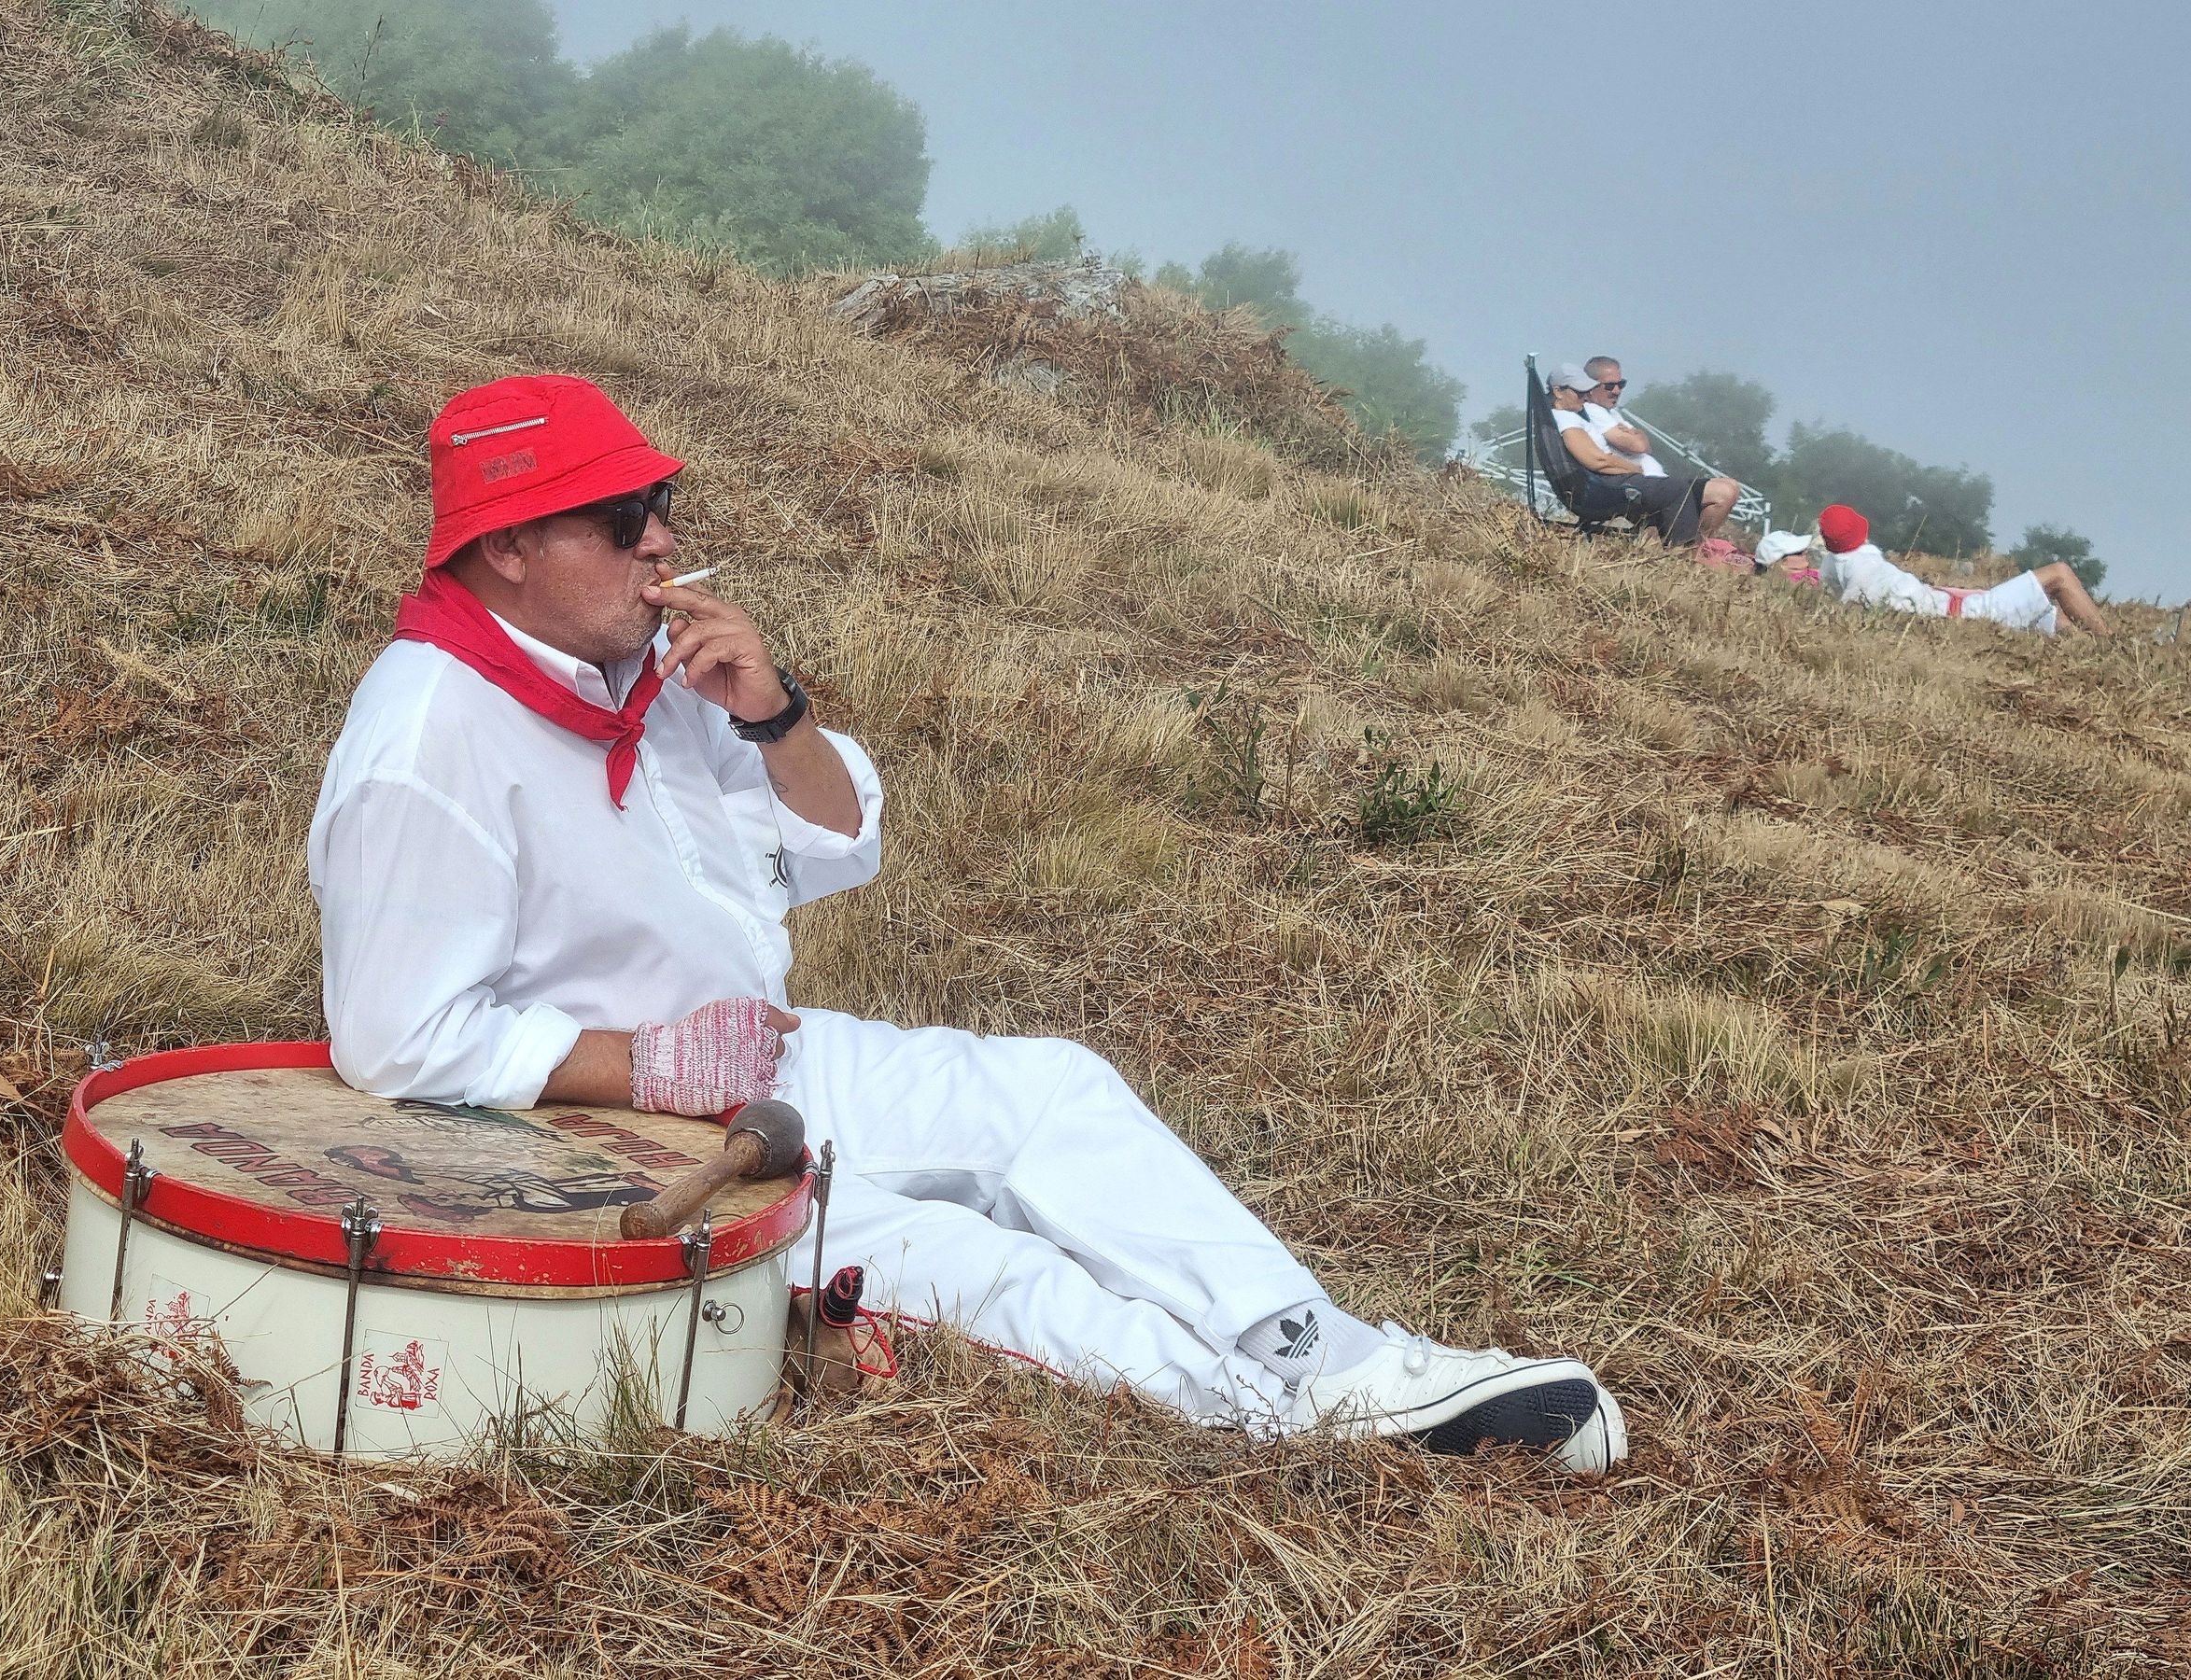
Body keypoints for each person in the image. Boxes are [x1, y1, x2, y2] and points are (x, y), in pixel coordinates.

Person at [307, 374, 1629, 1470]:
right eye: (619, 516)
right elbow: (397, 1038)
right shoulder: (428, 738)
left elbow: (832, 848)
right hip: (610, 1141)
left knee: (1054, 1092)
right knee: (977, 1263)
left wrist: (772, 713)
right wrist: (646, 1068)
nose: (661, 538)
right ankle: (1304, 1427)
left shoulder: (643, 670)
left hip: (761, 1061)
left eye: (661, 504)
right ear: (504, 547)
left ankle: (1324, 1352)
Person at [1813, 504, 2110, 637]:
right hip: (1968, 614)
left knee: (2047, 612)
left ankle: (2087, 649)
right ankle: (2110, 644)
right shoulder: (1868, 570)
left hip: (1956, 607)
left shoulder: (1836, 567)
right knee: (2058, 574)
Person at [1547, 364, 1740, 546]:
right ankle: (1682, 554)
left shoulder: (1575, 415)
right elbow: (1597, 460)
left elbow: (1639, 446)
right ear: (1558, 392)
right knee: (1676, 489)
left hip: (1618, 480)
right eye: (1579, 392)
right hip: (1608, 486)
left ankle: (1694, 549)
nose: (1584, 396)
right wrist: (1634, 468)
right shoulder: (1565, 418)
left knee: (1701, 488)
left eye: (1586, 390)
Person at [1580, 357, 1664, 477]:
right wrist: (1636, 436)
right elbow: (1639, 446)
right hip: (1638, 483)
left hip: (1651, 480)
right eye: (1609, 386)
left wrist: (1638, 435)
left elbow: (1647, 447)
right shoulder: (1591, 409)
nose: (1617, 391)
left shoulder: (1612, 412)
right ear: (1590, 386)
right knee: (1699, 489)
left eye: (1621, 384)